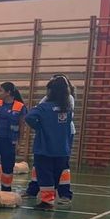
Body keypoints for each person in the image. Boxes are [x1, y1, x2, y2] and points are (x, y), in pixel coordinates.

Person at [25, 75, 74, 211]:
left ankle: (47, 201)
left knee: (45, 173)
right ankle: (62, 195)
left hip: (45, 148)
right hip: (62, 149)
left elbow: (29, 117)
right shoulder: (67, 109)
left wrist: (39, 127)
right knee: (59, 173)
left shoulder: (44, 107)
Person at [0, 82, 25, 193]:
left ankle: (6, 190)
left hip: (9, 141)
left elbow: (22, 127)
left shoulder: (20, 106)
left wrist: (19, 143)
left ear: (8, 93)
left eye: (0, 91)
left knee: (8, 167)